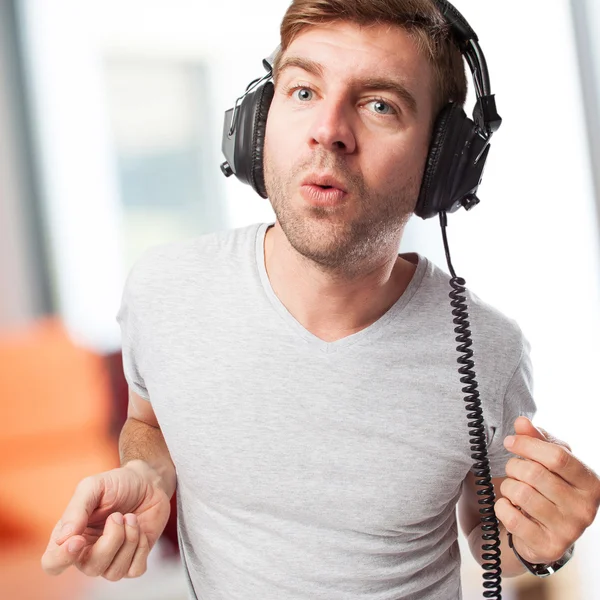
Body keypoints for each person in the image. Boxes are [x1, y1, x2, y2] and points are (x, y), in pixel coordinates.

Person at [42, 1, 600, 598]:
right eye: (303, 90)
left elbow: (494, 544)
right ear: (258, 120)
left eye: (379, 104)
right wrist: (146, 473)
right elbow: (147, 420)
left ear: (441, 165)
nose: (328, 129)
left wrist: (544, 544)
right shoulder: (163, 290)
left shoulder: (487, 349)